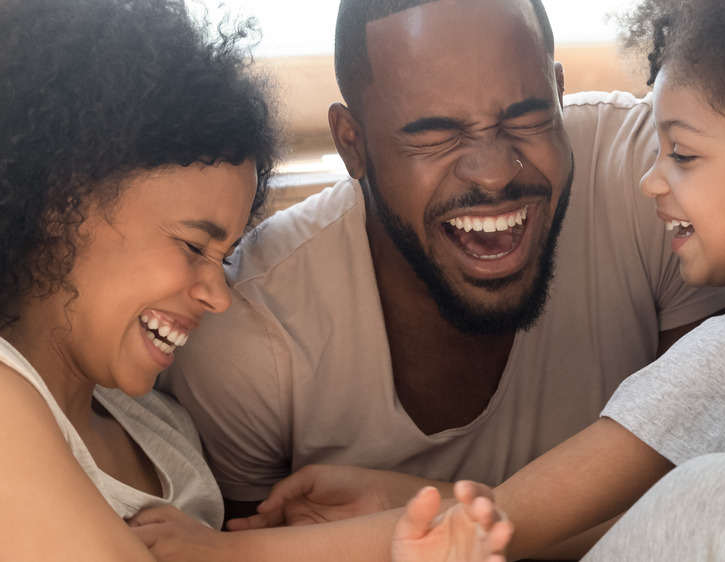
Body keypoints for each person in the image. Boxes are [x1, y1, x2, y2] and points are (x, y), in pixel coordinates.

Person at [202, 0, 725, 558]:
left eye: (680, 154)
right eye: (436, 134)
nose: (649, 181)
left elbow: (505, 521)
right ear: (352, 142)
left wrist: (213, 558)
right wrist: (405, 498)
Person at [157, 0, 725, 520]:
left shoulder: (657, 181)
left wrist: (415, 510)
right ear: (351, 143)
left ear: (559, 95)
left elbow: (706, 497)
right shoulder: (252, 332)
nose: (493, 171)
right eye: (435, 136)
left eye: (527, 117)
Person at [0, 0, 510, 560]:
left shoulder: (158, 429)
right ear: (59, 207)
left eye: (226, 254)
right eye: (194, 246)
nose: (218, 295)